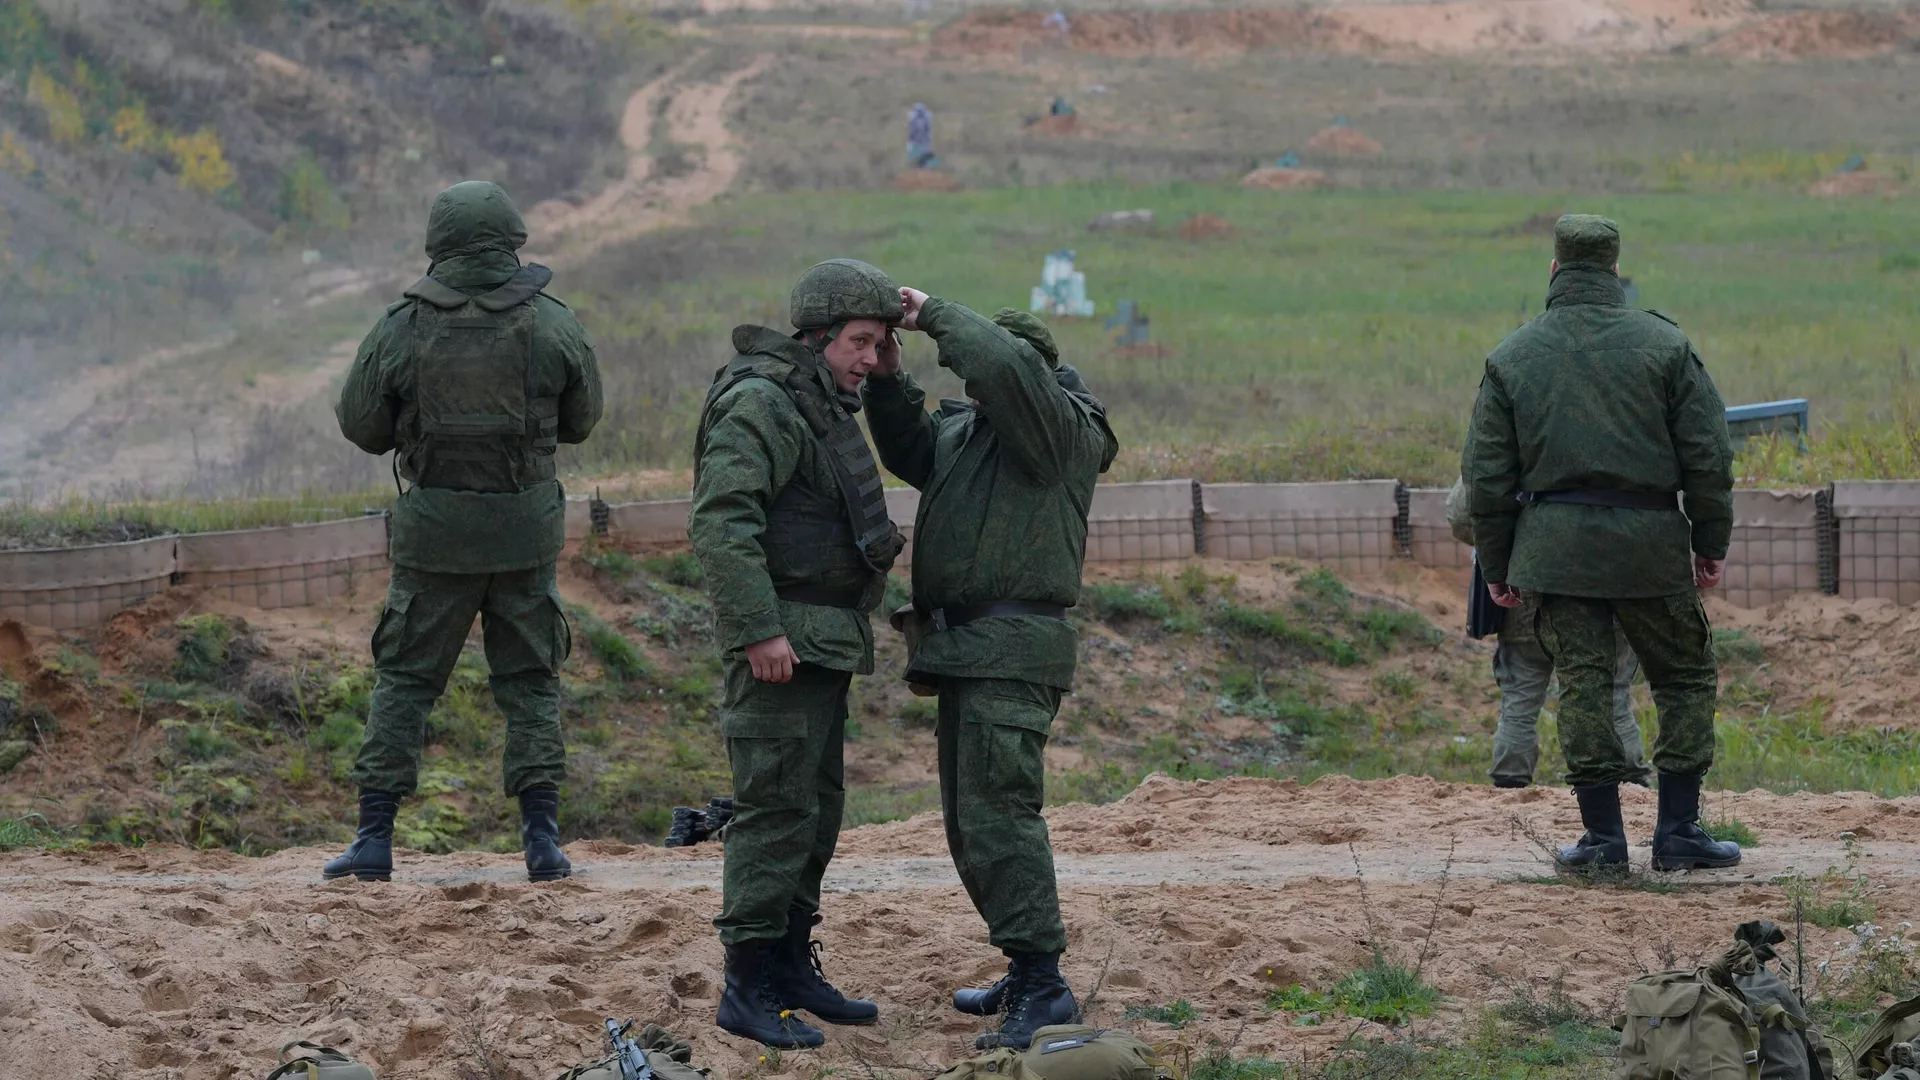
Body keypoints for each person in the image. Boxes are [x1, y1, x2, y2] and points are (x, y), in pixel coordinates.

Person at [326, 180, 602, 884]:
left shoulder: (401, 325)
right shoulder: (554, 322)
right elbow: (582, 420)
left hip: (436, 537)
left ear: (439, 244)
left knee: (405, 680)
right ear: (512, 239)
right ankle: (542, 845)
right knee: (531, 681)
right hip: (524, 535)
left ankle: (373, 840)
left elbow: (361, 425)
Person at [865, 290, 1118, 1049]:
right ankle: (1025, 966)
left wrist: (934, 315)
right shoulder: (974, 432)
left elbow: (1006, 367)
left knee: (1000, 816)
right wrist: (888, 377)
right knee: (972, 823)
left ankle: (1044, 986)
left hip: (1011, 650)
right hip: (967, 652)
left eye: (989, 376)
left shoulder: (1060, 429)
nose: (978, 388)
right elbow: (910, 449)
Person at [1462, 214, 1739, 873]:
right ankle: (1678, 830)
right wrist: (1710, 541)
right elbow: (1708, 456)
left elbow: (1486, 478)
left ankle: (1603, 841)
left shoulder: (1511, 356)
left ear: (1554, 270)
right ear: (1616, 271)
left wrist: (1497, 564)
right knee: (1684, 674)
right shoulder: (1666, 346)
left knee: (1581, 683)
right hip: (1650, 549)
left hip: (1556, 556)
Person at [688, 259, 906, 1050]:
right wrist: (758, 628)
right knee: (775, 811)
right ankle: (745, 987)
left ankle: (787, 965)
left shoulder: (815, 401)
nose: (871, 359)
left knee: (814, 812)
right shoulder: (762, 403)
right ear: (817, 337)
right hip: (782, 644)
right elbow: (722, 521)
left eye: (880, 344)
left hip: (821, 643)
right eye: (860, 342)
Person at [1444, 478, 1651, 788]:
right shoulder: (1626, 446)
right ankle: (1632, 786)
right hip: (1607, 585)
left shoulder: (1512, 447)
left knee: (1520, 699)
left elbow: (1462, 515)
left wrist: (1512, 537)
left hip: (1527, 587)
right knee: (1613, 695)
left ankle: (1510, 784)